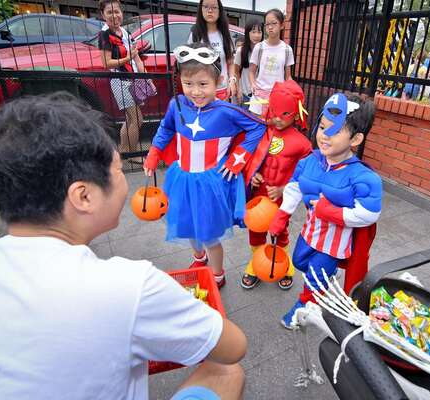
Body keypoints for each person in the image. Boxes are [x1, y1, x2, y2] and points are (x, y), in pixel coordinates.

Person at [0, 92, 247, 400]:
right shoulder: (131, 286)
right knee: (227, 371)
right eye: (117, 169)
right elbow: (234, 346)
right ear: (83, 196)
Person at [143, 43, 266, 289]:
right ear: (180, 80)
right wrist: (154, 153)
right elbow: (167, 128)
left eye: (203, 84)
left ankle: (217, 274)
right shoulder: (176, 105)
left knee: (209, 234)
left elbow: (258, 127)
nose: (195, 91)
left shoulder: (226, 111)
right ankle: (199, 259)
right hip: (182, 179)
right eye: (188, 84)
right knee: (188, 224)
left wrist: (237, 159)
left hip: (211, 184)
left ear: (218, 80)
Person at [268, 93, 383, 329]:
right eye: (322, 127)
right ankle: (326, 278)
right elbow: (294, 187)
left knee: (314, 278)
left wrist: (330, 211)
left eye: (336, 130)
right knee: (299, 261)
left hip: (333, 244)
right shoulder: (310, 161)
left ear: (356, 138)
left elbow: (369, 214)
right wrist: (281, 216)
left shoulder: (363, 177)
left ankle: (304, 307)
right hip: (310, 232)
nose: (325, 135)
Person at [240, 80, 312, 291]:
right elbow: (247, 158)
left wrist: (284, 189)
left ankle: (285, 266)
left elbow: (305, 177)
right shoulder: (260, 132)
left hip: (281, 197)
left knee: (280, 232)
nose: (278, 119)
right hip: (258, 194)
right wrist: (252, 175)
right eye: (275, 112)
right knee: (255, 230)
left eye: (284, 115)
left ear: (296, 112)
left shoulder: (303, 144)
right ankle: (256, 264)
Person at [98, 0, 154, 168]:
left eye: (117, 11)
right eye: (110, 12)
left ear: (122, 13)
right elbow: (106, 63)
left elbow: (136, 56)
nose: (114, 15)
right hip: (119, 81)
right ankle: (133, 154)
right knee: (137, 118)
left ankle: (124, 150)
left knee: (130, 119)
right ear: (103, 15)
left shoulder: (125, 32)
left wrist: (146, 76)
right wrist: (126, 58)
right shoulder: (105, 35)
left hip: (132, 79)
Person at [248, 8, 295, 116]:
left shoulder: (287, 50)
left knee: (273, 130)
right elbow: (251, 72)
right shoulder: (259, 47)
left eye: (274, 23)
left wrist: (293, 89)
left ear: (282, 25)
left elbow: (288, 77)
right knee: (257, 129)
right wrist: (253, 84)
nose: (270, 27)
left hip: (278, 98)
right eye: (267, 24)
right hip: (258, 98)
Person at [189, 0, 236, 101]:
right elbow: (189, 64)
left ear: (220, 11)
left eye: (214, 7)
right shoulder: (195, 34)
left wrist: (232, 80)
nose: (210, 11)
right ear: (201, 9)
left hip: (222, 91)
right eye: (206, 7)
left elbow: (231, 62)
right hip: (201, 92)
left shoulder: (225, 35)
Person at [233, 18, 263, 110]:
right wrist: (239, 90)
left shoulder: (264, 51)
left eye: (259, 32)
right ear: (247, 33)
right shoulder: (241, 51)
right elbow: (236, 72)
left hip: (260, 96)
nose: (256, 35)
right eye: (253, 32)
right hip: (244, 95)